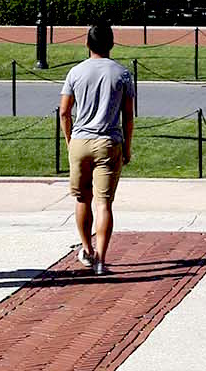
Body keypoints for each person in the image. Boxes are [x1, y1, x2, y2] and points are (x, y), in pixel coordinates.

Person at [60, 23, 135, 276]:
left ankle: (86, 249)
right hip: (108, 141)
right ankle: (101, 259)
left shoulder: (75, 72)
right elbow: (128, 116)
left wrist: (70, 141)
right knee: (104, 203)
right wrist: (127, 147)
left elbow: (64, 111)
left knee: (82, 198)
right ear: (112, 44)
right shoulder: (122, 74)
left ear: (87, 44)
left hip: (80, 141)